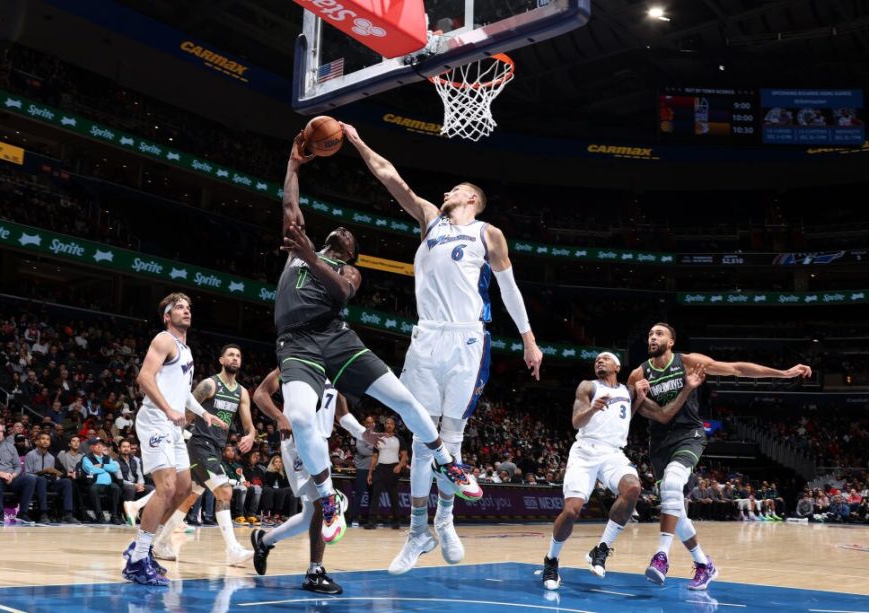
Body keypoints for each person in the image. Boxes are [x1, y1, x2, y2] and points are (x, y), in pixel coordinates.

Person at [343, 123, 542, 574]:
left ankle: (445, 519)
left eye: (455, 189)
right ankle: (418, 531)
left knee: (451, 436)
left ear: (470, 198)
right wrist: (357, 141)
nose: (446, 192)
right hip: (427, 336)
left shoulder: (488, 233)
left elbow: (509, 289)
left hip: (468, 338)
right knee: (421, 435)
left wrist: (528, 338)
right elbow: (391, 178)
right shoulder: (430, 219)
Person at [273, 137, 481, 547]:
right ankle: (329, 497)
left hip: (335, 338)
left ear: (350, 254)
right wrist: (294, 164)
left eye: (351, 237)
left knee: (405, 400)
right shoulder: (299, 249)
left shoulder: (348, 271)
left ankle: (446, 460)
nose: (344, 232)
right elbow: (290, 205)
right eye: (340, 230)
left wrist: (312, 257)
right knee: (299, 418)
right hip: (295, 344)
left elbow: (342, 293)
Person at [629, 322, 811, 590]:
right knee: (675, 508)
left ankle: (661, 557)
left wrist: (783, 373)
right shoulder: (638, 375)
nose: (652, 337)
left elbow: (736, 368)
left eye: (659, 334)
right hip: (658, 443)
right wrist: (640, 396)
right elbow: (654, 414)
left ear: (671, 342)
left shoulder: (688, 362)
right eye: (650, 334)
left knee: (672, 485)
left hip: (689, 435)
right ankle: (704, 564)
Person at [542, 353, 699, 590]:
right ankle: (551, 559)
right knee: (572, 510)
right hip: (585, 451)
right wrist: (592, 409)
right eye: (597, 360)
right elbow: (576, 422)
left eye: (605, 358)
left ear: (617, 367)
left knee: (633, 488)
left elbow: (624, 419)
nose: (599, 361)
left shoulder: (628, 391)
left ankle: (601, 549)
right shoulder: (588, 386)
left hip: (613, 453)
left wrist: (639, 400)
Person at [122, 293, 227, 585]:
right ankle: (138, 561)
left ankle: (140, 548)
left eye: (188, 307)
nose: (186, 311)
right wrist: (168, 409)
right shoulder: (164, 339)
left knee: (183, 489)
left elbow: (182, 393)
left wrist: (202, 413)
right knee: (166, 487)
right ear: (167, 316)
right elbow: (144, 378)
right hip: (156, 420)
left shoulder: (186, 350)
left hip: (173, 425)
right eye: (179, 307)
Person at [250, 367, 380, 595]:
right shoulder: (292, 360)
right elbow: (260, 394)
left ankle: (265, 541)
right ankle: (314, 573)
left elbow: (341, 412)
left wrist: (362, 432)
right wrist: (280, 417)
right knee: (324, 503)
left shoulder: (333, 368)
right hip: (297, 442)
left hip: (320, 444)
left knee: (310, 515)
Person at [151, 344, 254, 567]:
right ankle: (233, 549)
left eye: (238, 355)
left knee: (189, 497)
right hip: (199, 444)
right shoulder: (209, 385)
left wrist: (251, 435)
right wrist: (175, 439)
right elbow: (185, 412)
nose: (235, 358)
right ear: (221, 360)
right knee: (225, 491)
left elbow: (248, 425)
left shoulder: (242, 392)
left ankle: (160, 543)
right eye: (230, 355)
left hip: (216, 448)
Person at [23, 432, 79, 523]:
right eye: (43, 439)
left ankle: (68, 514)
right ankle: (43, 513)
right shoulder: (30, 455)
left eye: (48, 439)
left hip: (49, 482)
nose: (45, 441)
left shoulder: (51, 458)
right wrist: (41, 473)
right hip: (35, 484)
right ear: (37, 442)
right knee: (42, 479)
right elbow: (27, 474)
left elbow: (52, 474)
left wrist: (54, 475)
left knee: (67, 482)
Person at [365, 418, 407, 530]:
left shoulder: (399, 439)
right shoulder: (378, 439)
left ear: (394, 425)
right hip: (380, 468)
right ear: (384, 425)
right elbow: (374, 457)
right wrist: (370, 473)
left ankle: (396, 521)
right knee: (375, 495)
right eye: (387, 423)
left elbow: (404, 455)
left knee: (394, 496)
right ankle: (372, 522)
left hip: (393, 468)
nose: (389, 425)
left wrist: (400, 465)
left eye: (391, 423)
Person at [80, 437, 123, 524]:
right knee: (93, 489)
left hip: (109, 484)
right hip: (95, 483)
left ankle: (114, 516)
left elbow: (115, 468)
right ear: (91, 447)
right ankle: (99, 515)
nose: (99, 446)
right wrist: (106, 469)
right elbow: (91, 469)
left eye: (101, 444)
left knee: (116, 488)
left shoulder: (107, 458)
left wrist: (102, 465)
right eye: (96, 444)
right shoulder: (86, 458)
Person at [348, 415, 377, 527]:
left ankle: (370, 519)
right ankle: (355, 518)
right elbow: (362, 451)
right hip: (362, 469)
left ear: (374, 423)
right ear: (365, 424)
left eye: (372, 422)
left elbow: (379, 449)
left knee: (372, 495)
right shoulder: (361, 435)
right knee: (359, 493)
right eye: (368, 422)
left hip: (373, 469)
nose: (370, 424)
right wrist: (375, 452)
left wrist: (372, 449)